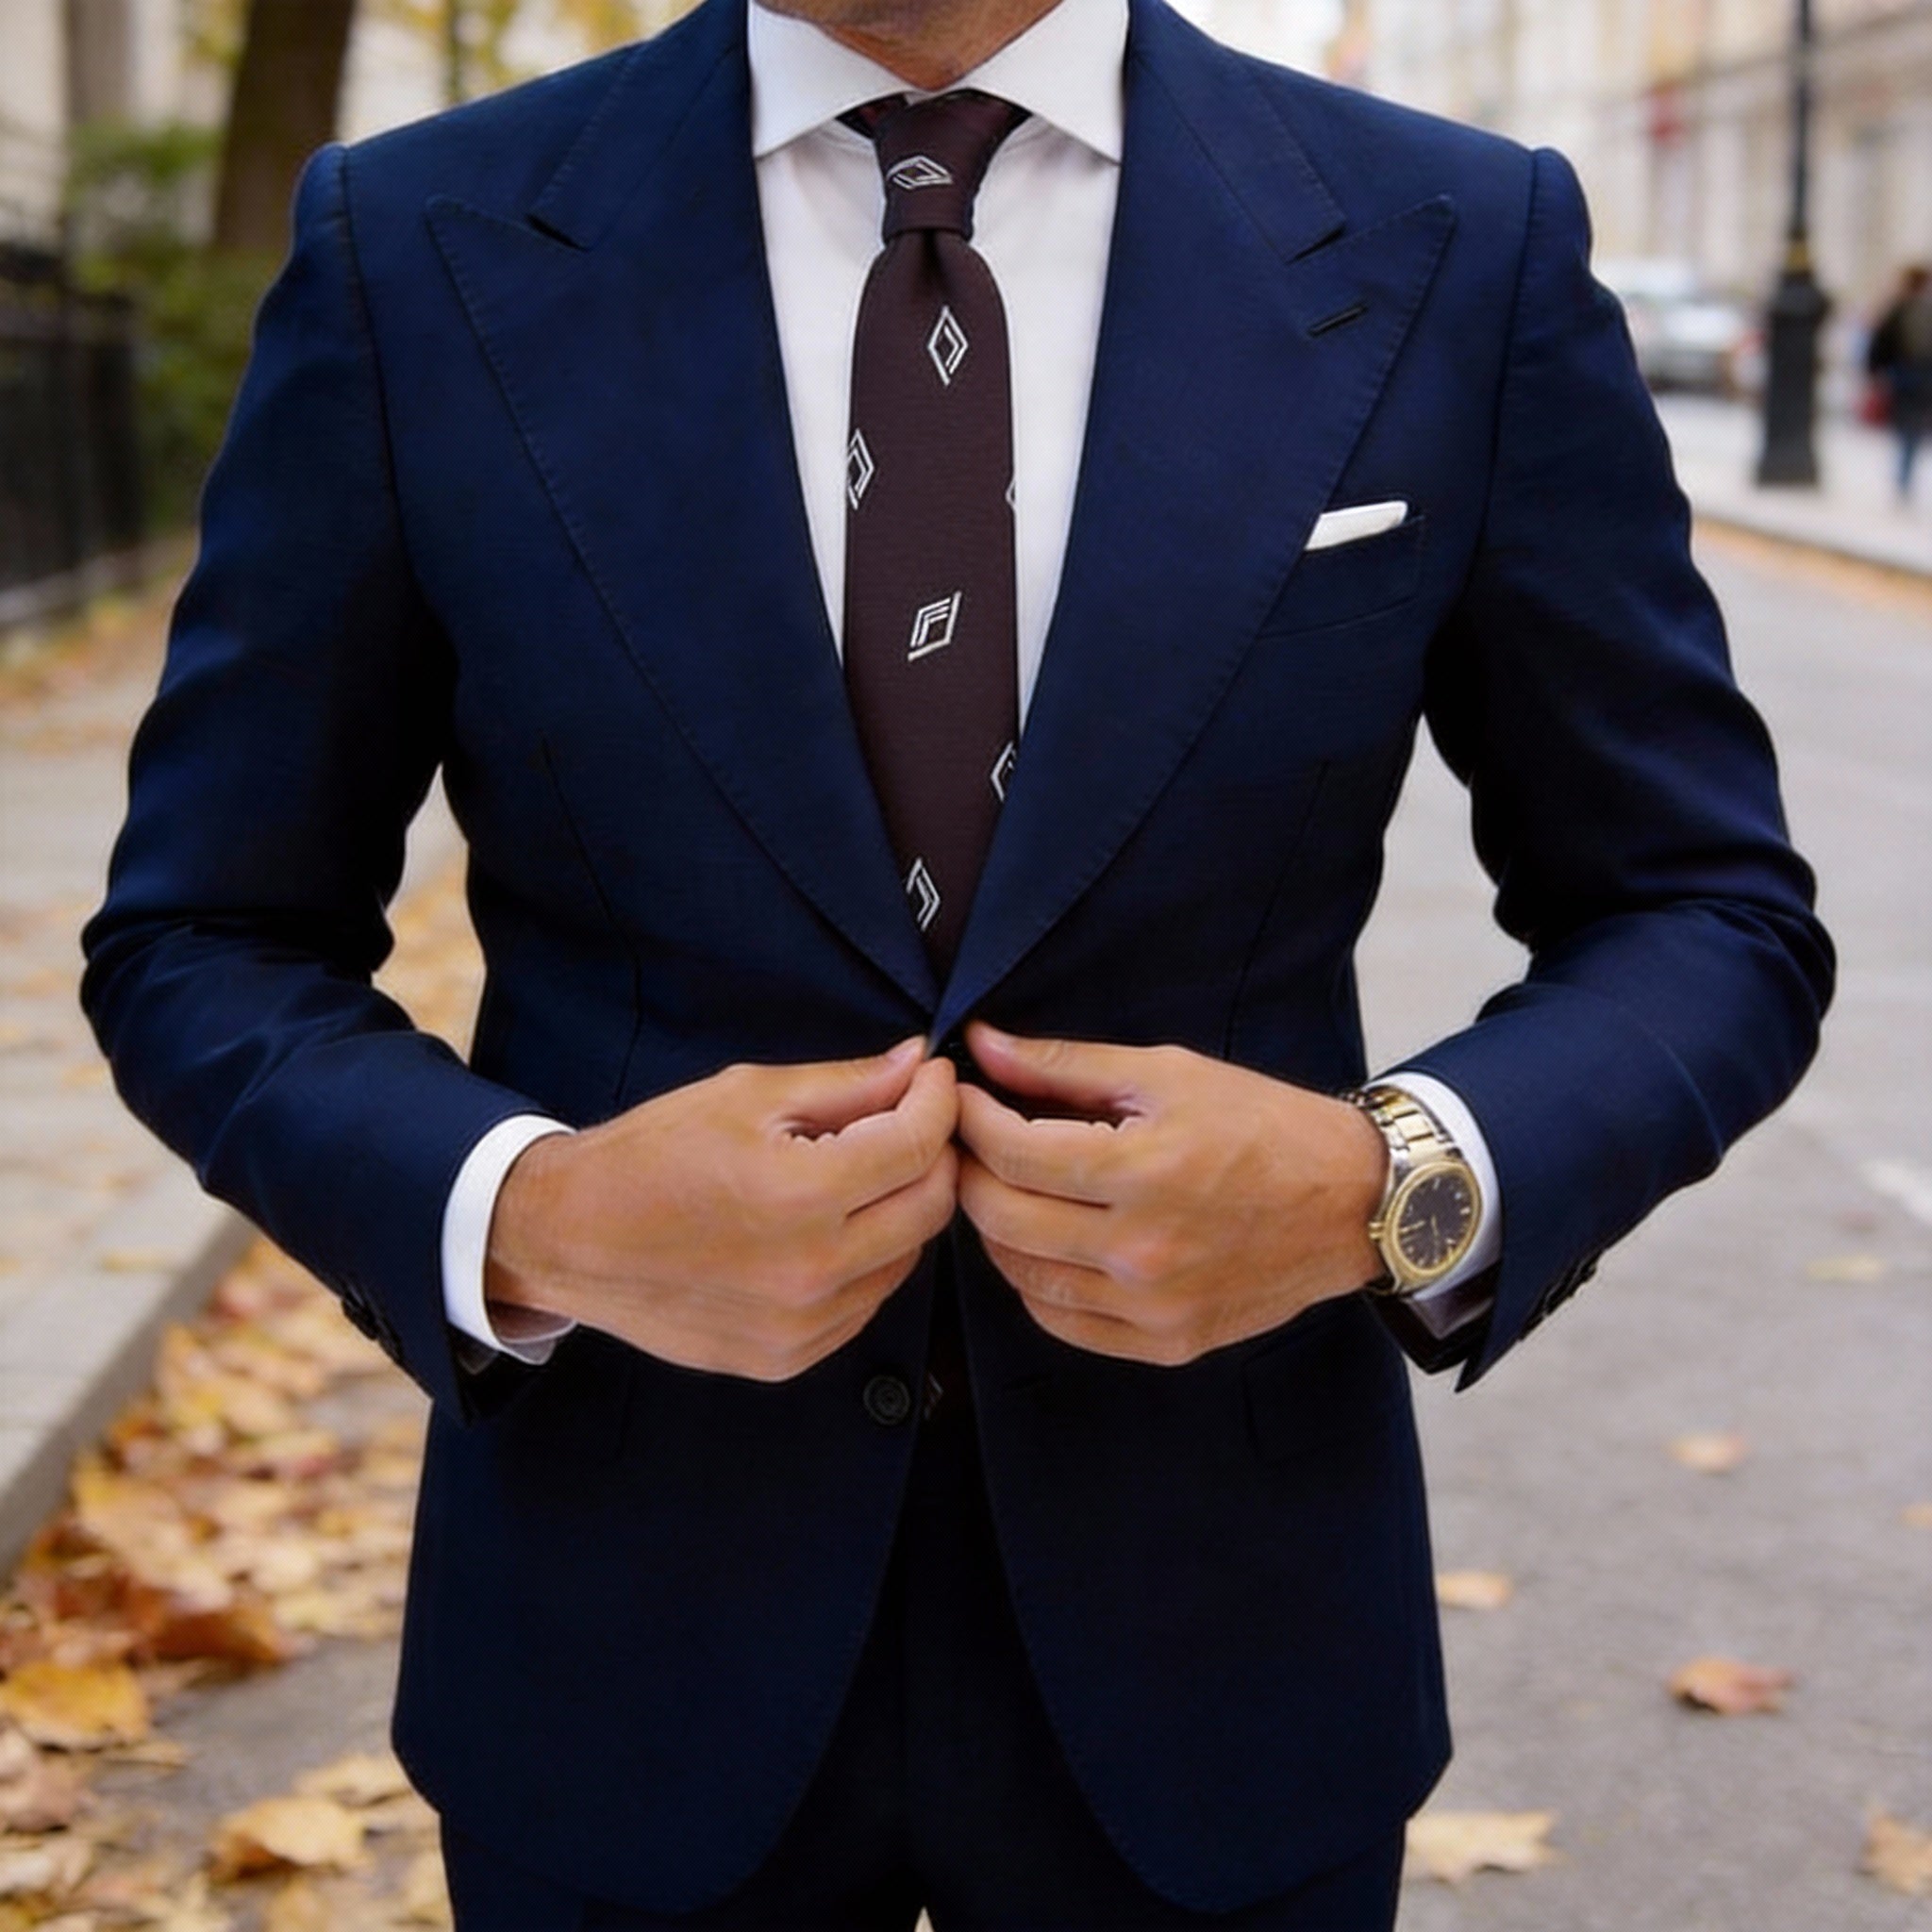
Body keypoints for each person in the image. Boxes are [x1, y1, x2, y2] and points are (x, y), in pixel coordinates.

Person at [79, 0, 1833, 1923]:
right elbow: (205, 934)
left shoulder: (1450, 235)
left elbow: (1701, 911)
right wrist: (536, 1212)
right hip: (623, 1648)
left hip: (1224, 1649)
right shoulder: (417, 238)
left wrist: (1380, 1182)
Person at [1868, 263, 1932, 504]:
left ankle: (1903, 474)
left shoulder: (1900, 307)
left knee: (1907, 426)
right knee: (1911, 427)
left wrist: (1875, 372)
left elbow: (1880, 343)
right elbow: (1882, 342)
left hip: (1907, 375)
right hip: (1916, 376)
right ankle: (1904, 474)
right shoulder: (1905, 309)